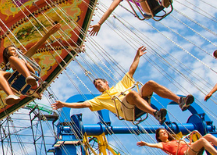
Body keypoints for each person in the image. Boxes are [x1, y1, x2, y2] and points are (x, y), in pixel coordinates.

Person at [52, 46, 194, 123]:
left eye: (99, 83)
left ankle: (180, 101)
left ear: (106, 82)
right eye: (96, 85)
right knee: (131, 94)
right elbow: (82, 104)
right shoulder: (100, 99)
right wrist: (65, 104)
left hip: (137, 102)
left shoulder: (121, 85)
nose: (97, 85)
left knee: (150, 84)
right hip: (128, 111)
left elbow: (131, 70)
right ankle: (155, 114)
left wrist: (137, 56)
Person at [0, 24, 62, 102]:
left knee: (13, 59)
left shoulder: (21, 57)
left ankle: (29, 77)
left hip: (31, 73)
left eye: (16, 49)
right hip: (19, 84)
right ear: (7, 53)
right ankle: (11, 95)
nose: (16, 51)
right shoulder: (7, 70)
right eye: (12, 50)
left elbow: (37, 45)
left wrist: (48, 34)